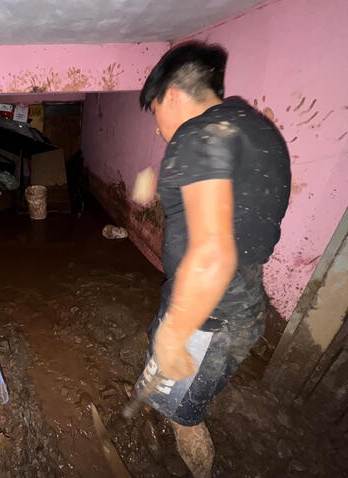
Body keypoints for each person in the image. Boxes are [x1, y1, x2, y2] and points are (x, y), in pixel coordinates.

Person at [134, 41, 291, 477]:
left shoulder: (199, 134)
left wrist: (173, 336)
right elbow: (238, 216)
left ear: (170, 95)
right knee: (166, 379)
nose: (158, 130)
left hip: (208, 312)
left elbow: (213, 253)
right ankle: (157, 406)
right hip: (236, 301)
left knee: (185, 409)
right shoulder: (255, 129)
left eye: (154, 114)